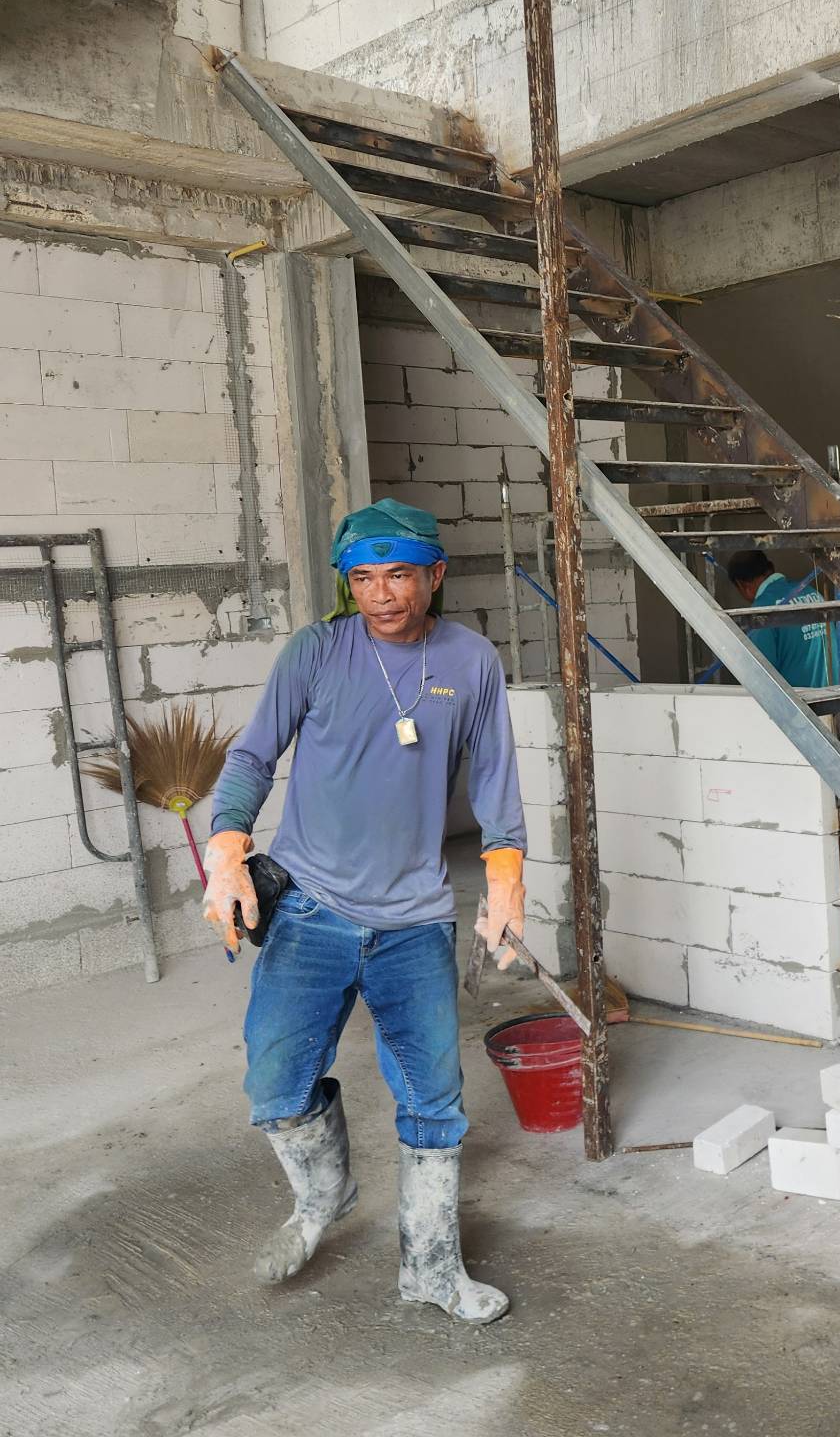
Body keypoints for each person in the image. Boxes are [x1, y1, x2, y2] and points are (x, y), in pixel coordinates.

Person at [201, 498, 526, 1324]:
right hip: (310, 908)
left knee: (434, 1100)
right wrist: (226, 849)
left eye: (402, 574)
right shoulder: (316, 651)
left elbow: (495, 785)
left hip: (416, 919)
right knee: (274, 1085)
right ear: (350, 582)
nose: (385, 594)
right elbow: (252, 757)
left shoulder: (472, 662)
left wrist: (506, 885)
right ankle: (323, 1196)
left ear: (435, 575)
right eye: (367, 577)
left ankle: (431, 1267)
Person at [725, 549, 840, 689]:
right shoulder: (812, 593)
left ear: (743, 585)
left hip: (798, 706)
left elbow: (760, 677)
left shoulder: (761, 610)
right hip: (833, 697)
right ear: (770, 569)